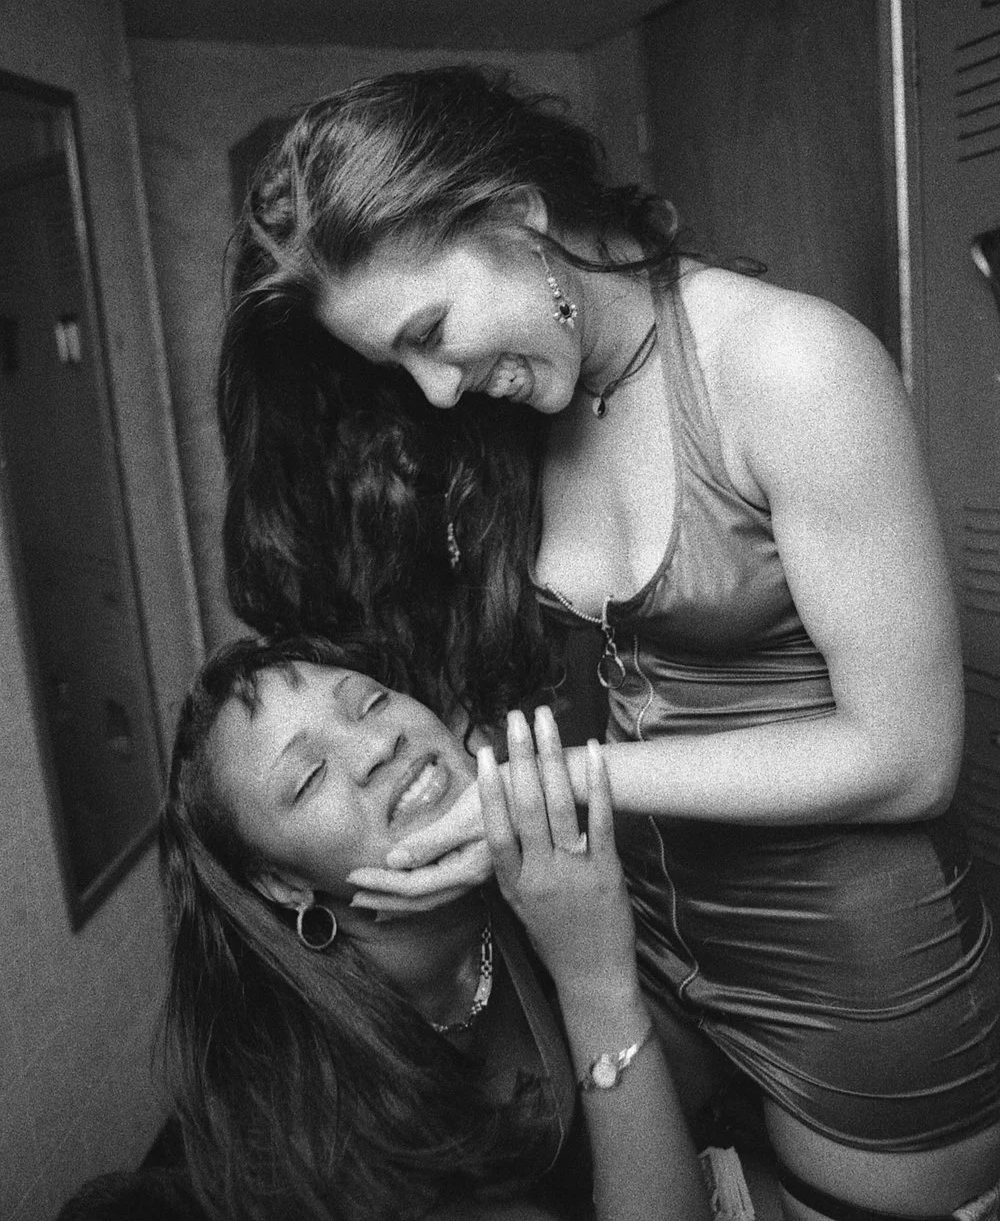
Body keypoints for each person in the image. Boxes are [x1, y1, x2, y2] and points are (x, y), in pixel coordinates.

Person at [217, 66, 1000, 1221]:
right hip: (658, 960)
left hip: (853, 982)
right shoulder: (522, 408)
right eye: (400, 365)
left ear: (516, 216)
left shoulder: (789, 364)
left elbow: (910, 756)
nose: (436, 389)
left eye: (430, 332)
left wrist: (556, 788)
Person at [159, 632, 710, 1221]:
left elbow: (704, 1084)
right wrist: (594, 980)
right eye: (310, 776)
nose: (378, 744)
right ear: (281, 883)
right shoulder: (312, 1126)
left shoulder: (529, 877)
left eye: (370, 702)